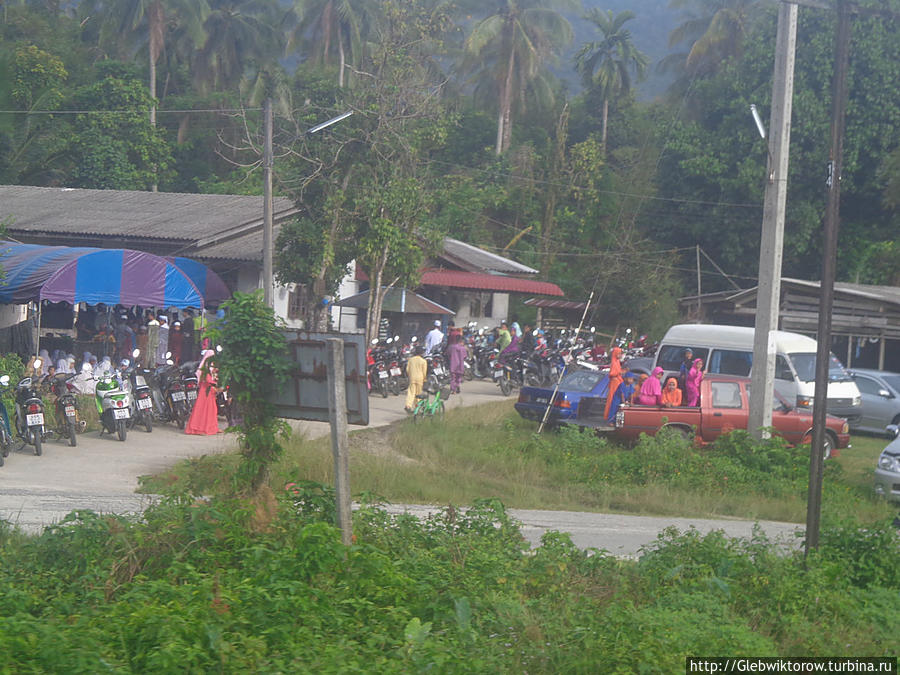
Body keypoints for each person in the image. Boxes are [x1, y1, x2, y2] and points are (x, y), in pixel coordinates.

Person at [185, 349, 220, 435]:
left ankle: (212, 427)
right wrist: (214, 383)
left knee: (211, 409)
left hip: (209, 390)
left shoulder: (211, 365)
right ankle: (200, 428)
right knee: (204, 409)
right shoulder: (206, 366)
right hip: (206, 390)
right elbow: (206, 378)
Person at [603, 346, 625, 420]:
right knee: (612, 399)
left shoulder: (617, 362)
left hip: (618, 381)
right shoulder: (613, 362)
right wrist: (619, 372)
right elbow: (612, 373)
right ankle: (608, 416)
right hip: (614, 382)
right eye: (619, 353)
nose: (620, 355)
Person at [404, 345, 428, 412]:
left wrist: (410, 376)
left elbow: (407, 369)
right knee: (418, 393)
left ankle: (408, 405)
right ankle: (418, 406)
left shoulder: (411, 360)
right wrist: (425, 379)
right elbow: (424, 371)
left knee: (411, 392)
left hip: (412, 377)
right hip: (420, 378)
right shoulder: (423, 361)